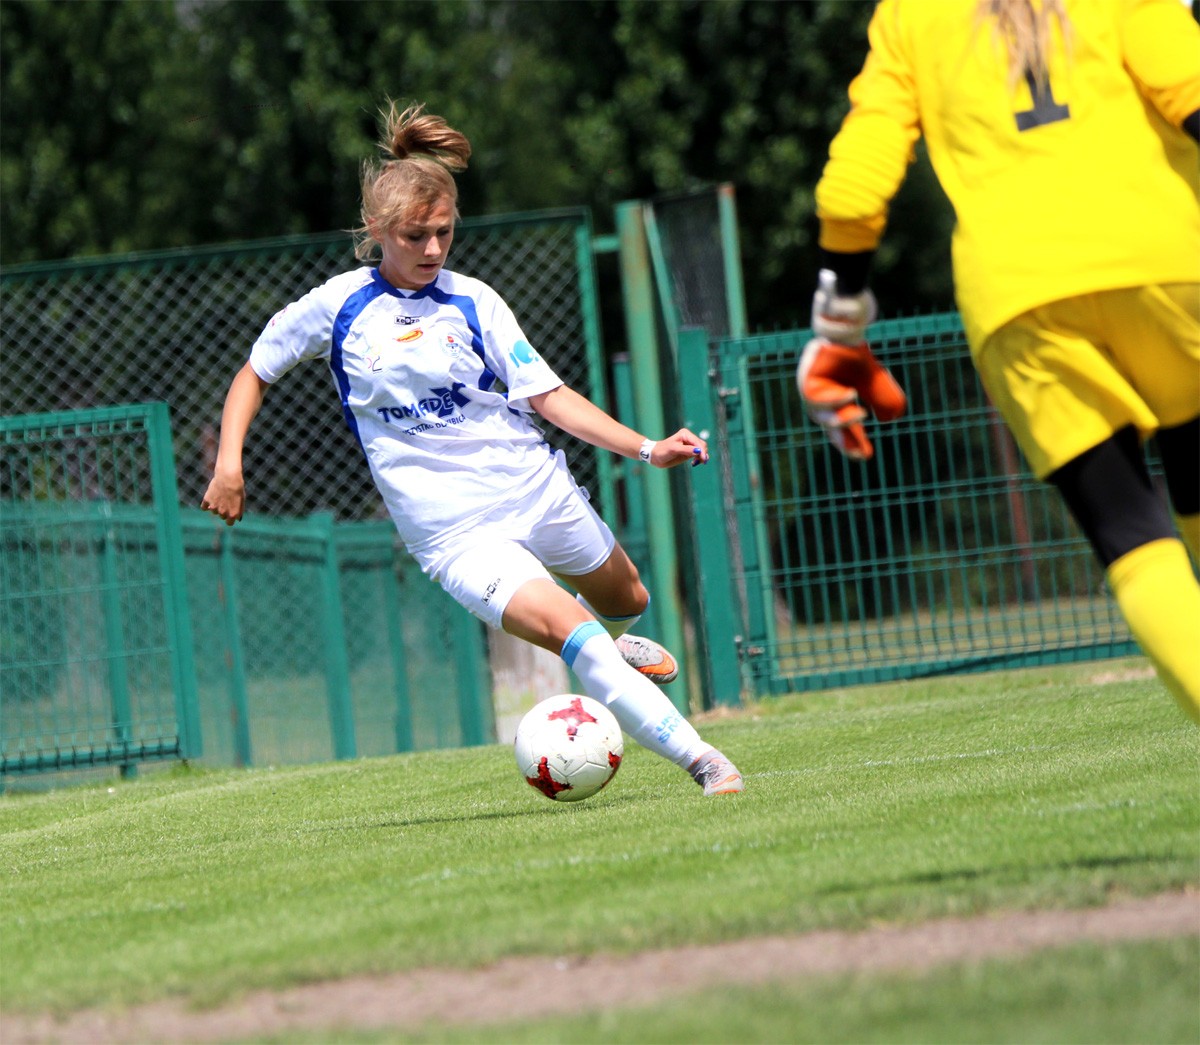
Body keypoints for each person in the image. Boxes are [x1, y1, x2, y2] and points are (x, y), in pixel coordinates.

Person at [200, 101, 744, 795]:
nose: (432, 250)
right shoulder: (337, 306)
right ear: (377, 230)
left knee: (626, 595)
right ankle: (704, 760)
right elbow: (254, 372)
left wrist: (648, 448)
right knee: (578, 637)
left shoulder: (475, 302)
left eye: (444, 233)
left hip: (532, 486)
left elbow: (549, 397)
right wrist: (229, 463)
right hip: (454, 534)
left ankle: (615, 638)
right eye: (415, 236)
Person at [797, 0, 1200, 722]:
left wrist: (839, 317)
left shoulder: (911, 15)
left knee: (1134, 540)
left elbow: (858, 180)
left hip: (1020, 296)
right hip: (1171, 260)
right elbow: (1189, 87)